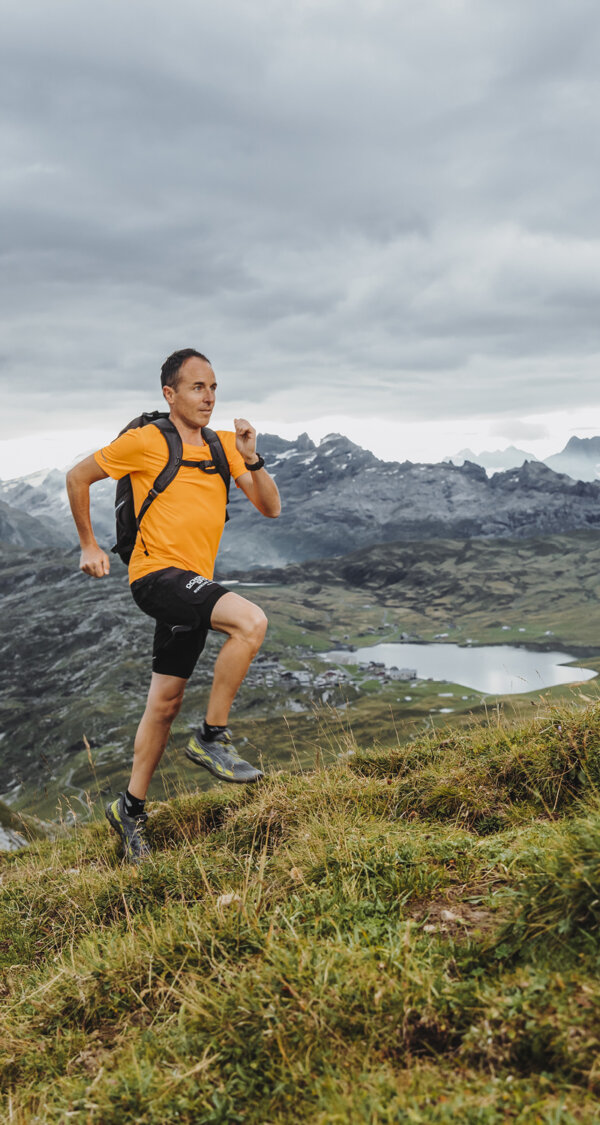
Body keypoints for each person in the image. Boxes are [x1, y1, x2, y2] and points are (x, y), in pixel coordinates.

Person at [66, 348, 281, 863]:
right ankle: (212, 737)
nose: (207, 397)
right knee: (251, 622)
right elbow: (78, 477)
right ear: (170, 393)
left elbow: (270, 507)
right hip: (155, 576)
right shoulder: (144, 441)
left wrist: (251, 456)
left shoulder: (223, 446)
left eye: (213, 388)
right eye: (196, 387)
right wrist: (89, 545)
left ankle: (130, 809)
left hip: (191, 582)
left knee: (164, 703)